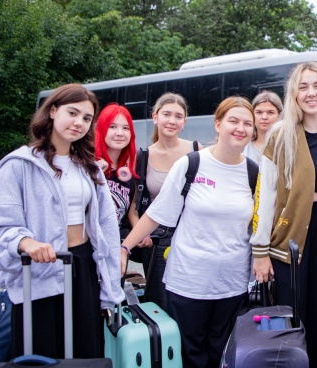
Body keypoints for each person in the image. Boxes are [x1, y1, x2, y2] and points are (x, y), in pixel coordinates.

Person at [0, 84, 123, 359]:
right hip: (39, 271)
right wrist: (25, 242)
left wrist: (110, 284)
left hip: (83, 267)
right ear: (52, 111)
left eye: (86, 118)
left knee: (85, 353)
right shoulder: (18, 165)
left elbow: (106, 225)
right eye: (72, 113)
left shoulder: (89, 167)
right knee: (41, 353)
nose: (79, 122)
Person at [120, 96, 256, 368]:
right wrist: (124, 248)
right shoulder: (191, 164)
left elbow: (259, 225)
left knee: (221, 352)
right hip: (189, 281)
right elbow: (157, 213)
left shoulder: (253, 172)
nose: (240, 128)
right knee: (190, 354)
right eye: (233, 121)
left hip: (232, 283)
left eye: (247, 123)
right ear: (217, 124)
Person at [251, 61, 317, 367]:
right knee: (290, 312)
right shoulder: (280, 134)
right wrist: (260, 251)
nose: (311, 93)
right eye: (303, 87)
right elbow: (265, 195)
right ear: (294, 94)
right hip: (288, 236)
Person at [131, 92, 200, 311]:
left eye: (178, 116)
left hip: (191, 236)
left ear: (184, 122)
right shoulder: (143, 157)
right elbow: (133, 207)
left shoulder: (197, 151)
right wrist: (140, 234)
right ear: (155, 117)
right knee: (160, 302)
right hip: (156, 240)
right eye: (166, 114)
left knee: (191, 300)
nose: (172, 121)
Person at [94, 103, 139, 238]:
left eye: (126, 128)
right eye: (112, 127)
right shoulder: (90, 166)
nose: (120, 133)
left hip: (116, 244)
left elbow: (131, 212)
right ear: (101, 130)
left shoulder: (128, 173)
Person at [243, 90, 283, 164]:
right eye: (259, 112)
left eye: (270, 112)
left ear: (279, 115)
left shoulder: (286, 146)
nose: (264, 117)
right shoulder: (243, 146)